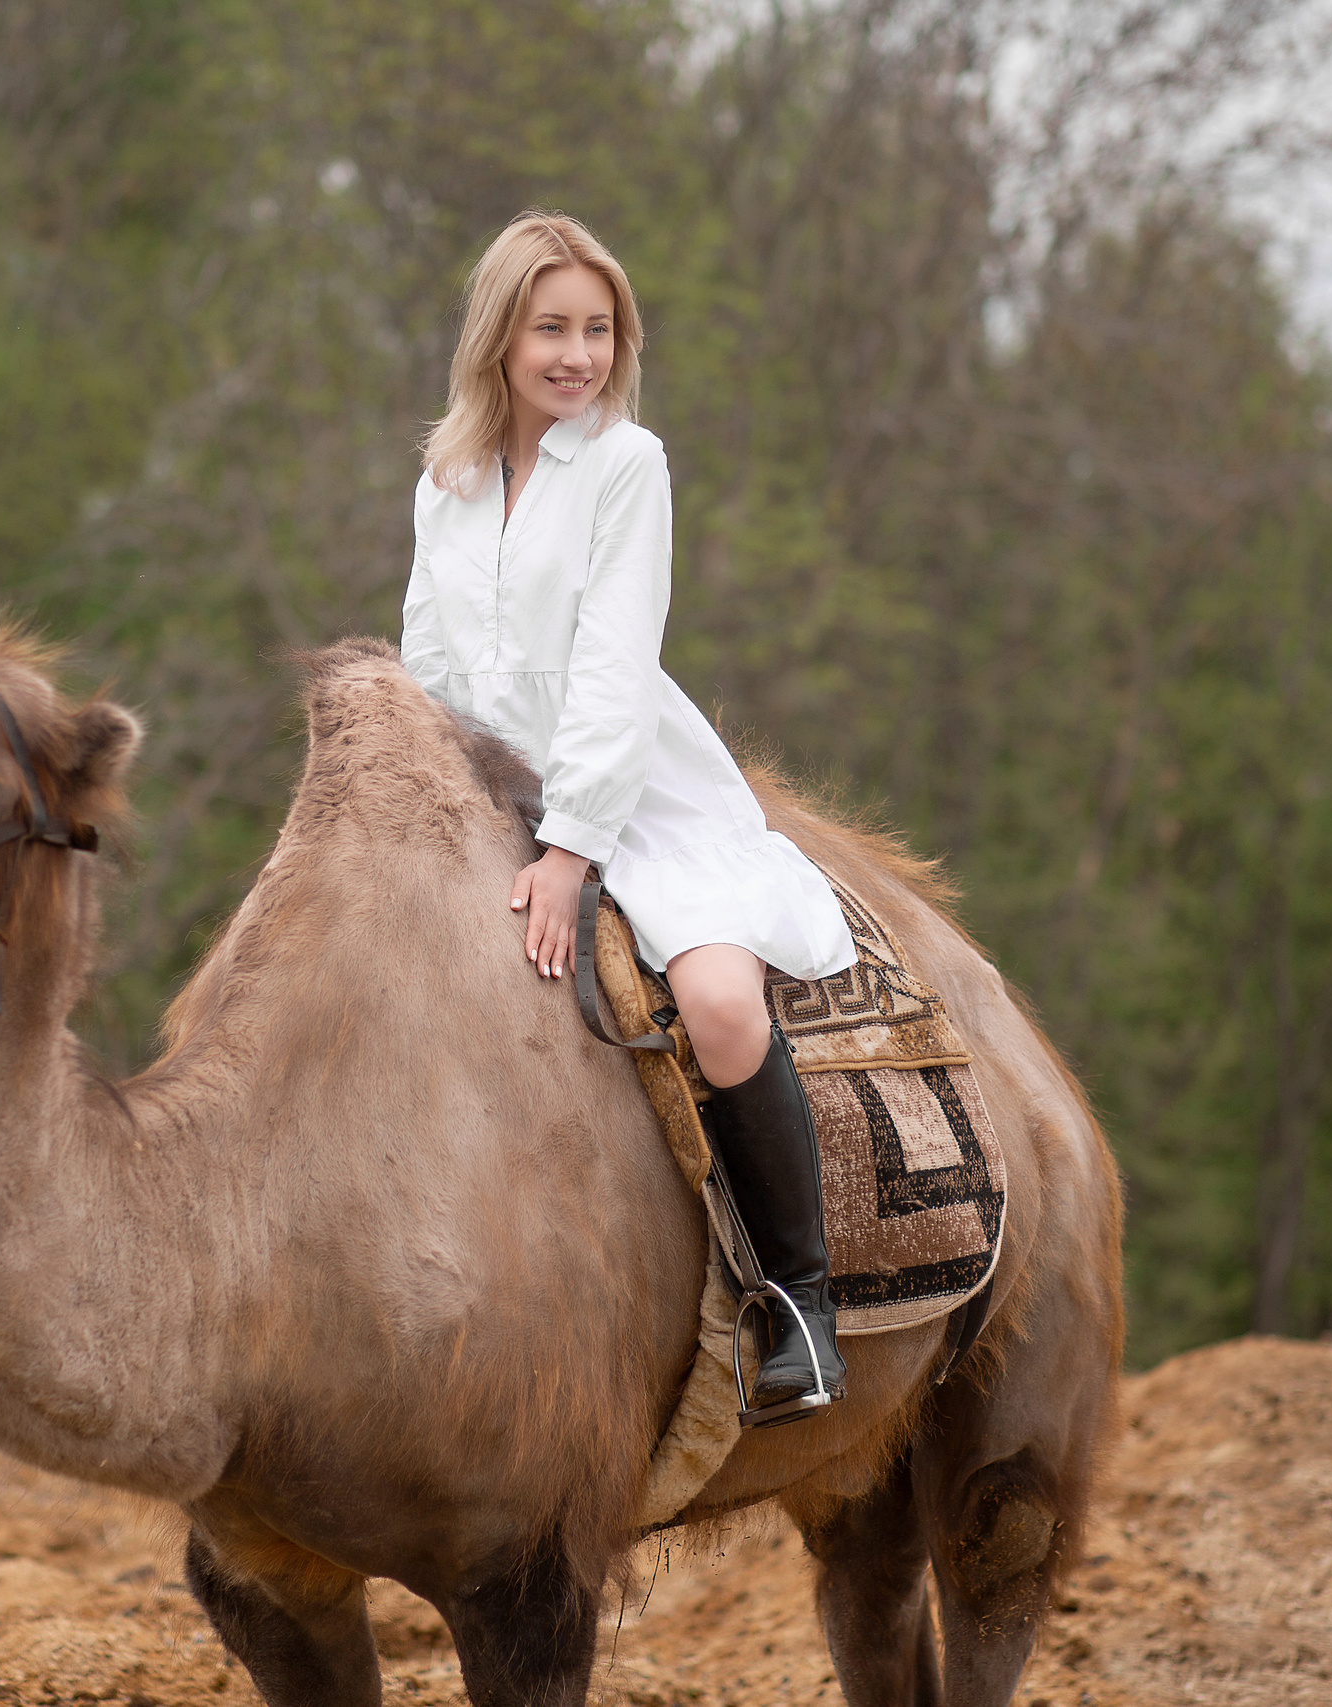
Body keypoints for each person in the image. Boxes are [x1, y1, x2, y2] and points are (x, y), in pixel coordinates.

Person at [400, 210, 861, 1426]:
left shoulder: (625, 465)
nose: (577, 355)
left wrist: (570, 849)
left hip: (628, 793)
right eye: (551, 328)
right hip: (480, 788)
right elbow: (425, 663)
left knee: (718, 1003)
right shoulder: (446, 483)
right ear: (499, 337)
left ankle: (798, 1307)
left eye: (597, 330)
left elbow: (612, 669)